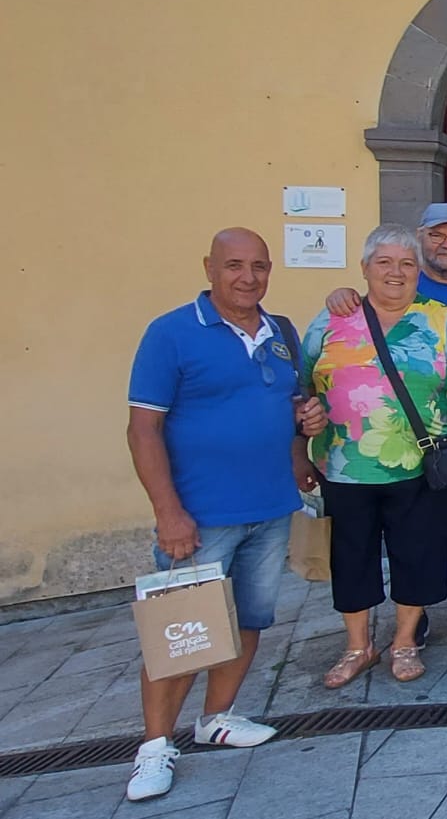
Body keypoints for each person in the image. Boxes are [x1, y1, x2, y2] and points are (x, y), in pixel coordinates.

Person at [122, 229, 325, 802]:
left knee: (250, 620)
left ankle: (217, 718)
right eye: (235, 265)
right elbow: (143, 429)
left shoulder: (280, 332)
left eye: (259, 266)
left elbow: (286, 406)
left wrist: (303, 437)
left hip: (269, 505)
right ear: (209, 267)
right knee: (182, 632)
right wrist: (169, 513)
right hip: (201, 514)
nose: (248, 277)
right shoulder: (171, 333)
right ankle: (155, 748)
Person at [300, 225, 447, 689]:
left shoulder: (442, 320)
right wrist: (298, 449)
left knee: (417, 552)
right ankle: (358, 646)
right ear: (365, 268)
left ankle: (405, 640)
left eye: (406, 264)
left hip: (420, 464)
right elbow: (302, 388)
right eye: (384, 263)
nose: (396, 273)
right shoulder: (330, 322)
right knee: (351, 556)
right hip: (344, 465)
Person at [322, 203, 447, 645]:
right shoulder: (373, 298)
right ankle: (416, 613)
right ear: (420, 238)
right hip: (393, 447)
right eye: (437, 235)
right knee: (409, 535)